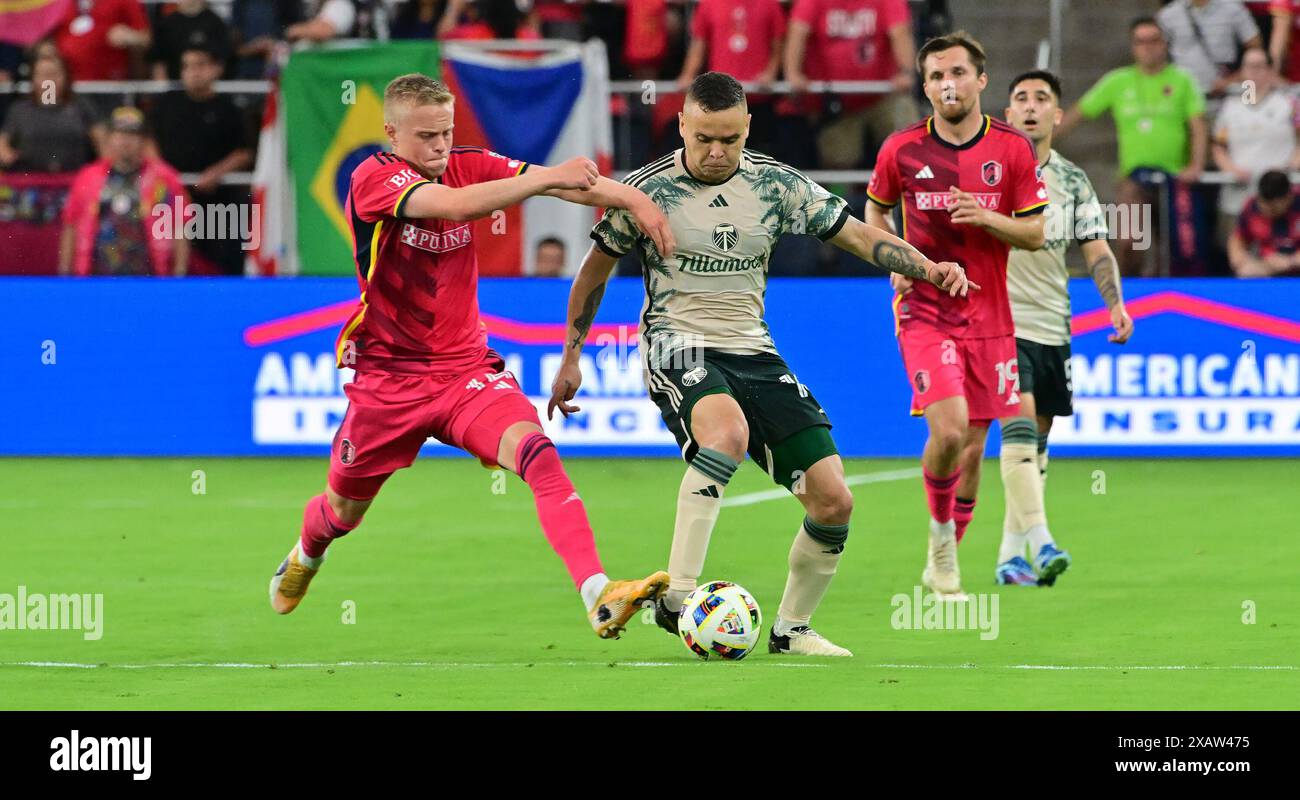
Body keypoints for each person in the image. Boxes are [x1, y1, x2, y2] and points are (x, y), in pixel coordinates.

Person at [550, 71, 973, 656]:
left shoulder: (776, 186)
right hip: (677, 345)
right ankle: (680, 599)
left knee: (834, 499)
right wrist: (572, 356)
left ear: (748, 126)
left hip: (755, 350)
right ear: (682, 126)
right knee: (725, 434)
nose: (718, 151)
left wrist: (929, 266)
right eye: (704, 138)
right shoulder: (647, 194)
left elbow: (854, 236)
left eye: (729, 138)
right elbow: (593, 271)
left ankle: (792, 629)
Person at [268, 73, 679, 641]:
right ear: (391, 133)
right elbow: (458, 207)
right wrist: (546, 180)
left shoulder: (467, 161)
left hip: (465, 371)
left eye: (447, 133)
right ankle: (307, 553)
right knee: (343, 511)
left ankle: (598, 592)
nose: (440, 146)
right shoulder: (374, 178)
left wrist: (634, 199)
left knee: (537, 453)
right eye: (426, 136)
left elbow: (567, 187)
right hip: (389, 381)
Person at [867, 32, 1048, 599]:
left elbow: (1037, 233)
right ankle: (941, 541)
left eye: (959, 73)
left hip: (991, 317)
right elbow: (876, 206)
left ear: (981, 80)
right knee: (946, 430)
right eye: (938, 76)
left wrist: (987, 218)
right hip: (925, 310)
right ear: (925, 87)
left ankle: (945, 549)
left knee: (972, 447)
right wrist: (891, 253)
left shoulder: (1012, 150)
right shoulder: (901, 150)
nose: (949, 84)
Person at [994, 69, 1133, 585]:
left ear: (1057, 114)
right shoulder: (989, 172)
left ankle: (1011, 555)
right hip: (1001, 324)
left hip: (1054, 323)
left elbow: (1096, 248)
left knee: (1040, 438)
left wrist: (1114, 304)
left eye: (1042, 99)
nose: (1031, 107)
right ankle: (1042, 540)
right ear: (1007, 114)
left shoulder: (1073, 180)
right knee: (1021, 427)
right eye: (1021, 99)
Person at [1058, 16, 1207, 276]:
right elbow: (1077, 114)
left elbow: (1198, 126)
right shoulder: (1118, 81)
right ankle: (1125, 291)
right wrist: (1034, 142)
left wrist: (1196, 165)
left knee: (1174, 250)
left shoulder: (1183, 80)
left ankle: (1167, 299)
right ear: (1132, 47)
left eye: (1154, 40)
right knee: (1129, 239)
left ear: (1164, 44)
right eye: (1141, 41)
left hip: (1176, 178)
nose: (1148, 47)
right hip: (1134, 178)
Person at [149, 46, 253, 275]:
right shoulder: (167, 104)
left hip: (216, 199)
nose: (193, 72)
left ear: (216, 69)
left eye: (200, 65)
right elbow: (149, 141)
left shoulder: (229, 109)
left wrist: (215, 173)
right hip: (170, 199)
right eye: (187, 66)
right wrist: (166, 176)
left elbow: (244, 153)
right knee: (171, 263)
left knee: (219, 262)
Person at [784, 0, 915, 169]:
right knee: (838, 160)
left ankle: (911, 192)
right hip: (836, 100)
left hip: (882, 95)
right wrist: (793, 73)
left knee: (909, 140)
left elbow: (900, 33)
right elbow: (797, 32)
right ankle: (840, 196)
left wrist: (905, 71)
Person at [59, 106, 189, 277]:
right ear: (110, 138)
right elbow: (70, 225)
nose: (126, 141)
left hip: (150, 279)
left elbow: (181, 227)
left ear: (144, 140)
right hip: (95, 279)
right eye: (120, 134)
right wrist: (64, 274)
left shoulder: (164, 177)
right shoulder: (87, 177)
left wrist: (179, 274)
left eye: (133, 135)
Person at [1211, 46, 1300, 238]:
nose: (1254, 72)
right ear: (1242, 71)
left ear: (1270, 69)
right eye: (1249, 66)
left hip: (1282, 197)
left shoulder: (1289, 103)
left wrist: (1295, 160)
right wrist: (1231, 169)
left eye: (1259, 66)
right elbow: (1218, 147)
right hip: (1239, 197)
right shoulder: (1230, 107)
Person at [675, 0, 786, 154]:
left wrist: (771, 73)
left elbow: (778, 44)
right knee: (719, 154)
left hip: (758, 99)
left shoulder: (769, 4)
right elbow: (699, 45)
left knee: (758, 159)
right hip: (718, 100)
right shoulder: (708, 4)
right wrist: (687, 75)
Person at [0, 54, 103, 173]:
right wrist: (7, 155)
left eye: (54, 74)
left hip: (74, 179)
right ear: (33, 78)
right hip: (30, 181)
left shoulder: (81, 106)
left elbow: (102, 143)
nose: (49, 80)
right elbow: (3, 142)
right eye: (43, 75)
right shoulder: (20, 109)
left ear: (65, 77)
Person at [1157, 0, 1260, 113]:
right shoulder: (1168, 15)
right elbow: (1157, 57)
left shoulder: (1233, 8)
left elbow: (1257, 50)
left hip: (1224, 98)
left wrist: (1233, 79)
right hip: (1184, 100)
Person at [52, 0, 151, 82]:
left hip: (109, 85)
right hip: (69, 85)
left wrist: (129, 36)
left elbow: (146, 39)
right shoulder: (61, 4)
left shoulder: (124, 1)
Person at [1228, 169, 1300, 275]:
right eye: (1263, 206)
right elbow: (1238, 238)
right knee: (1246, 272)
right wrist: (1240, 260)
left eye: (1273, 208)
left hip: (1296, 266)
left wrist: (1290, 261)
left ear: (1288, 198)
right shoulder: (1252, 208)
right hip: (1268, 268)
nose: (1267, 212)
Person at [148, 0, 232, 81]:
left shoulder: (216, 23)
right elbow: (158, 63)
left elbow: (222, 61)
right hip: (174, 86)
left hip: (208, 86)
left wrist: (203, 81)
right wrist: (163, 89)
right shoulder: (166, 25)